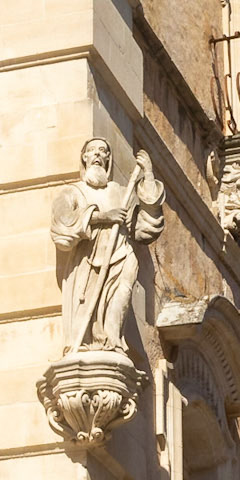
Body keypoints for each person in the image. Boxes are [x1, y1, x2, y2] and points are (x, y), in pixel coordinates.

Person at [50, 137, 165, 354]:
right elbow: (62, 222)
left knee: (121, 294)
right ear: (84, 157)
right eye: (92, 150)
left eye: (102, 150)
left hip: (120, 255)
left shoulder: (120, 193)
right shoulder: (74, 192)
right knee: (86, 309)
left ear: (108, 158)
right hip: (86, 262)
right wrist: (103, 217)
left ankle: (112, 342)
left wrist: (149, 176)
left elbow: (146, 227)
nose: (97, 154)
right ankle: (87, 342)